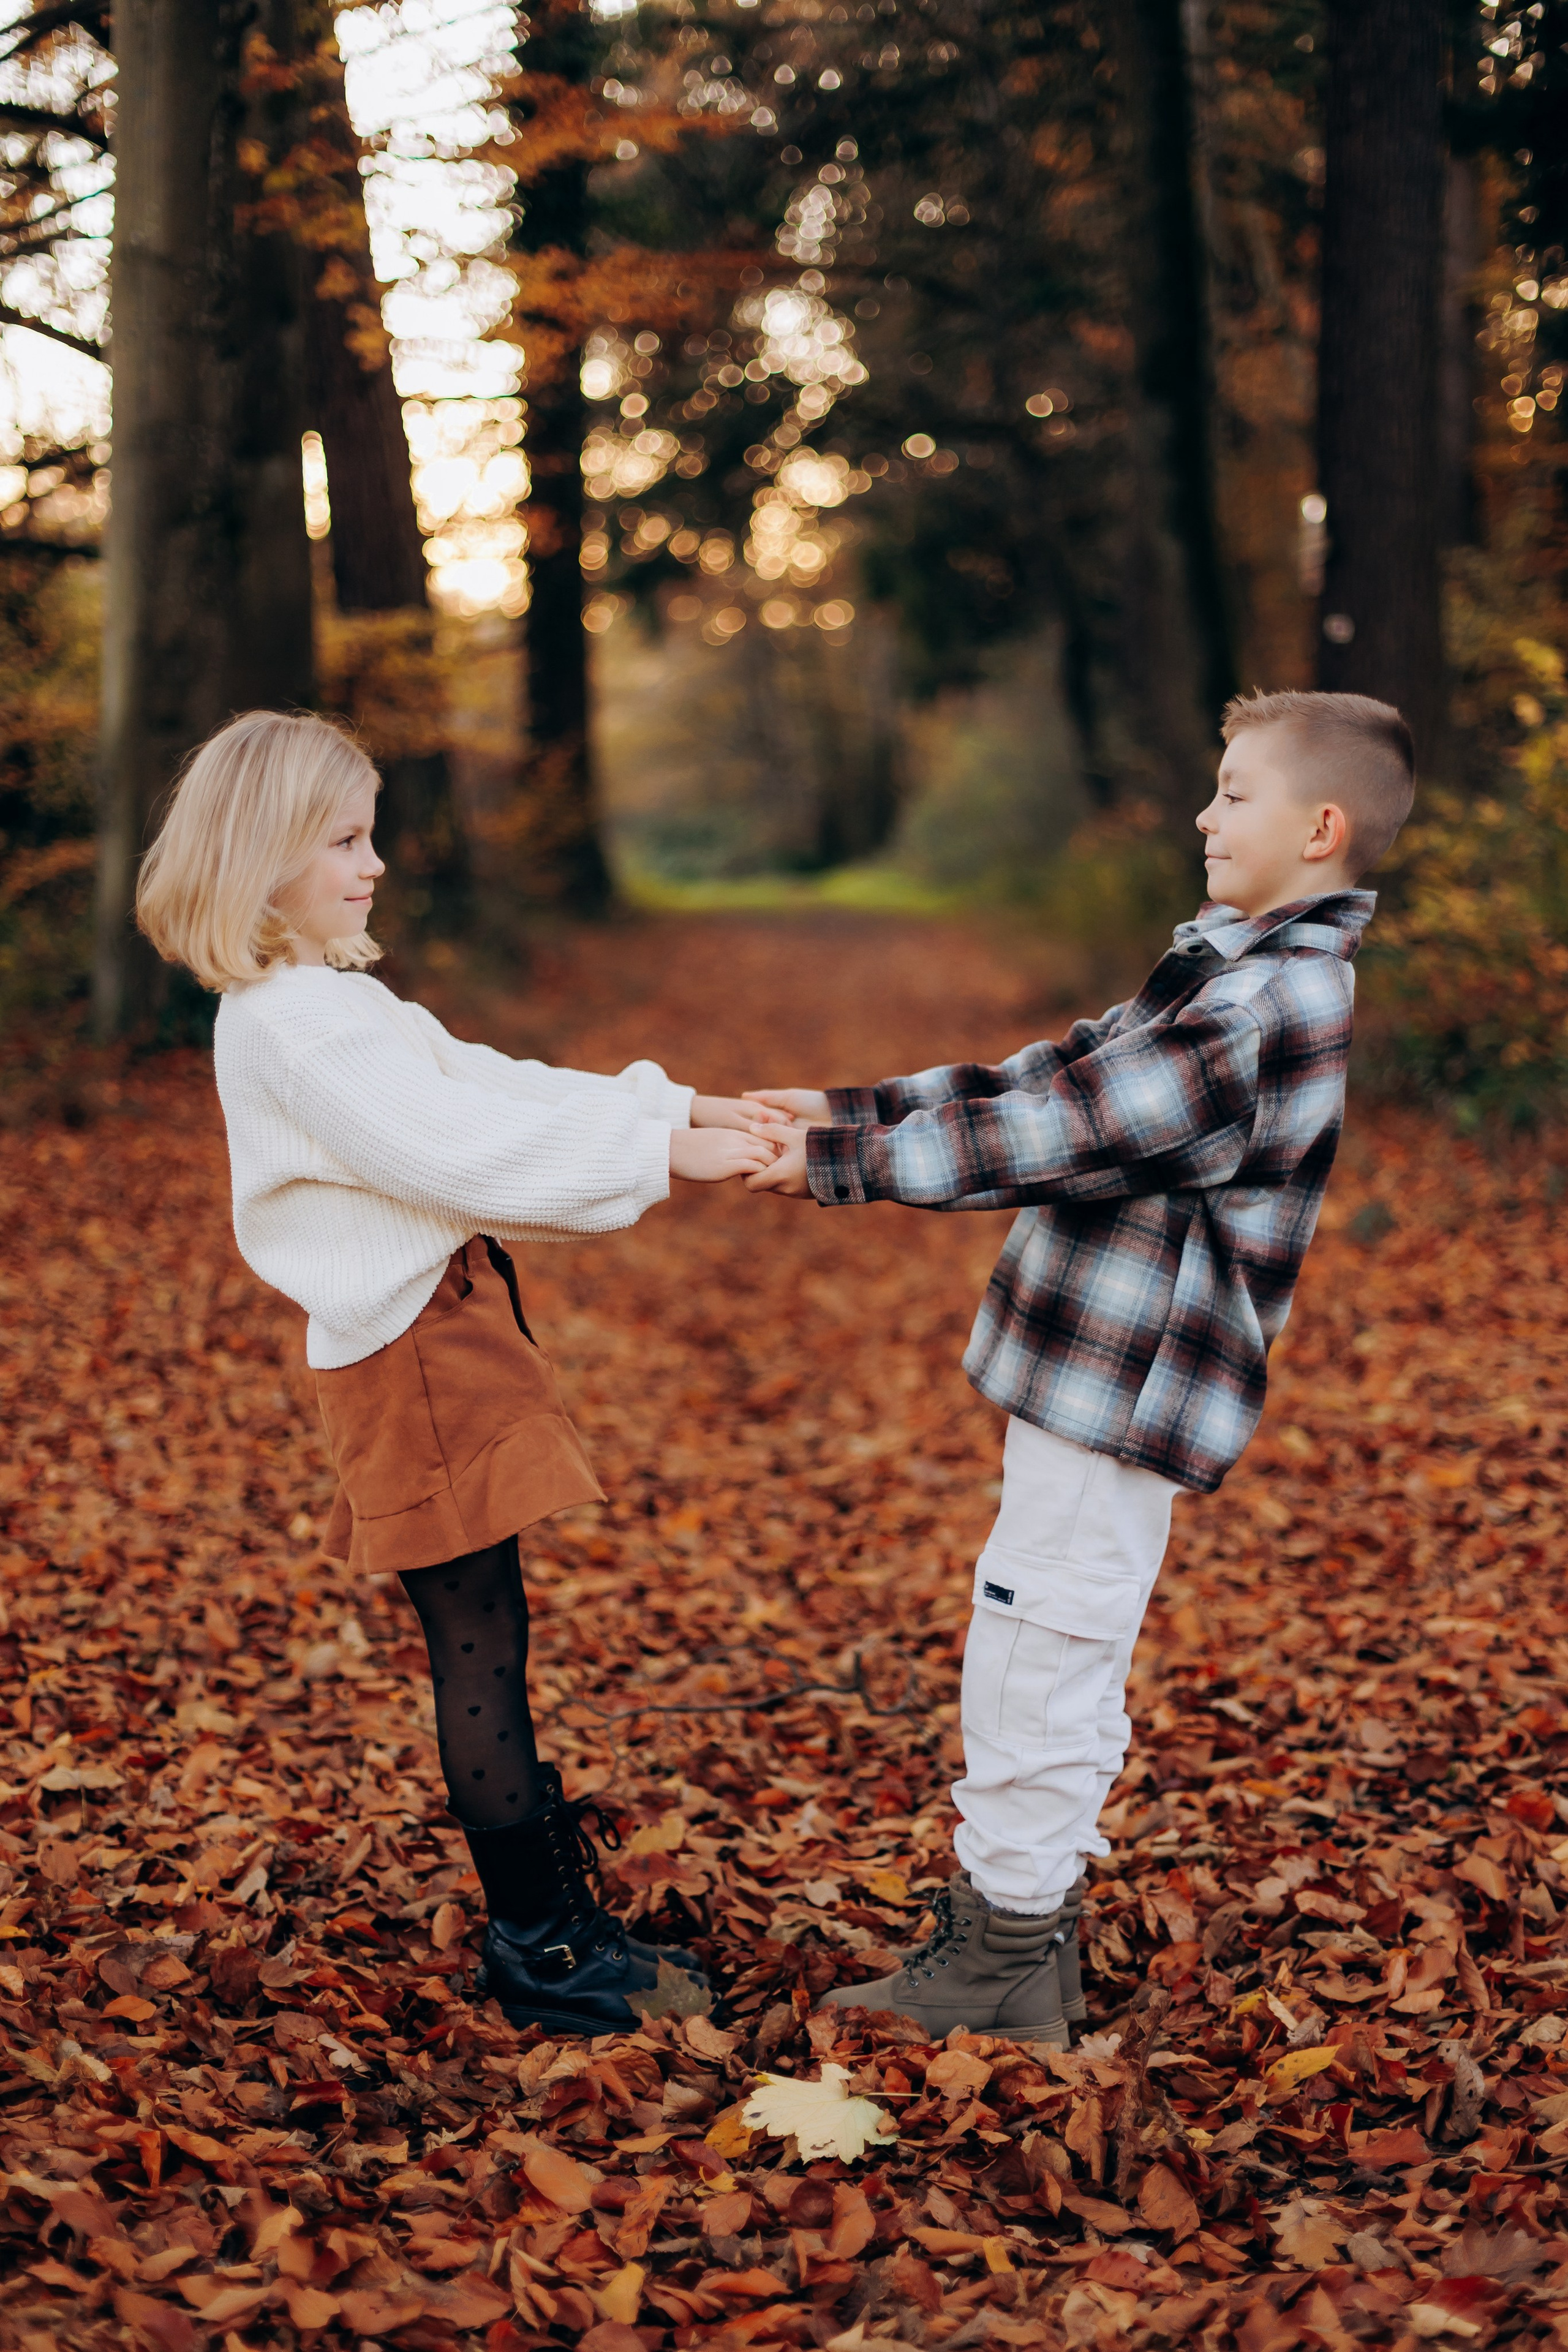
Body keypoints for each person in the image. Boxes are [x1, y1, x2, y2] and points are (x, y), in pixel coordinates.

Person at [743, 690, 1416, 2043]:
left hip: (1129, 1387)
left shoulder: (1269, 1003)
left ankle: (1002, 1952)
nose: (1204, 815)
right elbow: (1052, 1074)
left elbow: (1067, 1132)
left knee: (1041, 1647)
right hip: (1096, 1375)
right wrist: (845, 1113)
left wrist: (839, 1166)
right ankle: (1021, 1940)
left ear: (1320, 829)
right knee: (1045, 1636)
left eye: (1234, 792)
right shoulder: (1230, 968)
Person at [135, 709, 781, 2035]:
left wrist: (669, 1108)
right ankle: (541, 1944)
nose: (373, 863)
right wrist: (663, 1157)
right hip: (415, 1356)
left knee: (496, 1634)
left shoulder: (328, 1001)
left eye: (368, 836)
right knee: (478, 1648)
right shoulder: (294, 1023)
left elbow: (486, 1082)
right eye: (343, 840)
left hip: (442, 1336)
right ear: (262, 853)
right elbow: (451, 1153)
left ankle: (552, 1922)